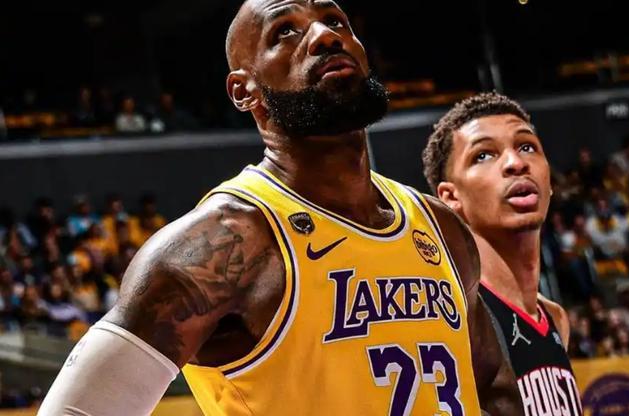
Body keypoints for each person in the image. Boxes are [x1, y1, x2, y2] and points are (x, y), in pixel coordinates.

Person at [39, 2, 520, 415]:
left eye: (336, 21)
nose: (325, 36)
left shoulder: (439, 226)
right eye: (285, 32)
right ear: (243, 90)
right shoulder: (218, 245)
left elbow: (495, 390)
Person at [424, 92, 583, 416]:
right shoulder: (452, 317)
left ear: (549, 181)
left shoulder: (555, 318)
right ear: (451, 198)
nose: (516, 163)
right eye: (483, 155)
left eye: (527, 147)